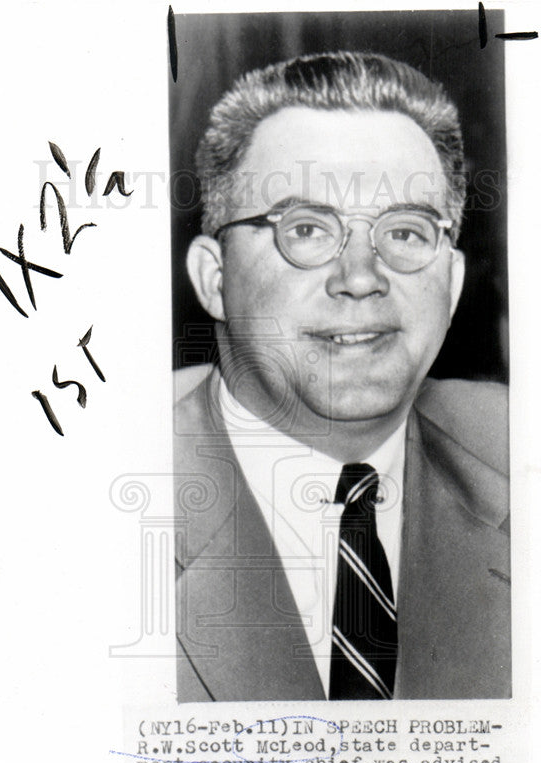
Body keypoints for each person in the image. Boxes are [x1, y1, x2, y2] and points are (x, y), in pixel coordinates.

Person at [173, 50, 510, 702]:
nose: (359, 277)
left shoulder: (529, 462)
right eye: (305, 229)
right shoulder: (88, 497)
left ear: (454, 282)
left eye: (406, 232)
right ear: (214, 279)